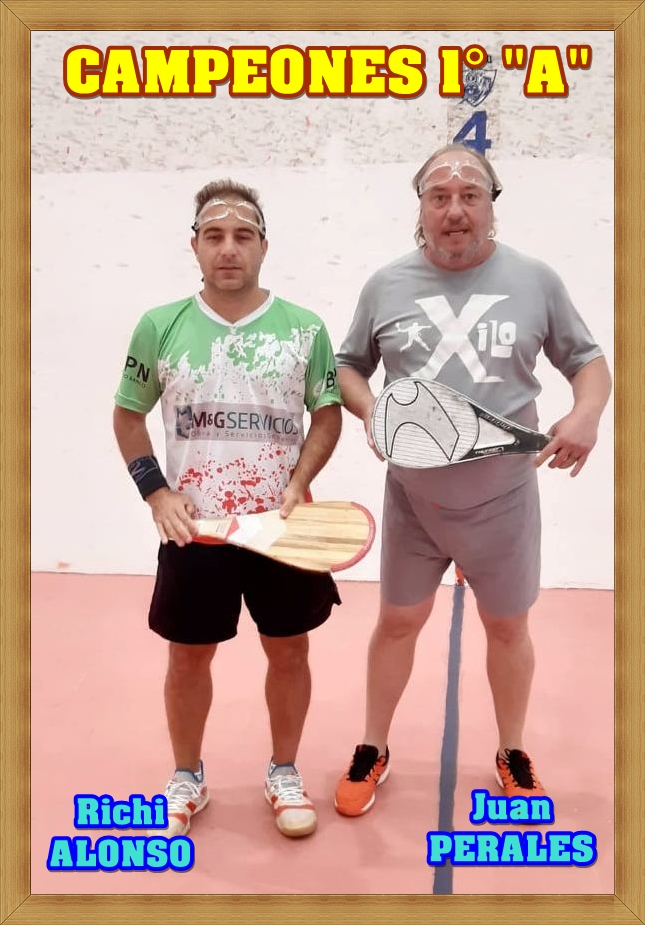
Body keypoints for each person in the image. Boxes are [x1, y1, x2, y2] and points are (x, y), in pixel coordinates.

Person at [333, 143, 612, 817]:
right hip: (413, 501)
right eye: (439, 196)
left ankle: (511, 750)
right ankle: (373, 746)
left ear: (492, 205)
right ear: (420, 208)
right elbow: (347, 367)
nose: (454, 209)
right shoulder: (385, 285)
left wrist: (585, 414)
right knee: (397, 622)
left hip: (504, 500)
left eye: (470, 195)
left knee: (507, 627)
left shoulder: (536, 281)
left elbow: (588, 363)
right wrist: (373, 414)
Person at [113, 180, 343, 839]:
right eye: (213, 235)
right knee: (188, 659)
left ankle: (284, 771)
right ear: (194, 246)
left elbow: (327, 415)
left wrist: (300, 480)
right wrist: (156, 491)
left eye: (243, 235)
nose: (228, 248)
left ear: (264, 245)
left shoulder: (304, 329)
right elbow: (127, 415)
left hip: (281, 530)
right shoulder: (160, 325)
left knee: (289, 651)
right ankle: (187, 777)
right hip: (198, 531)